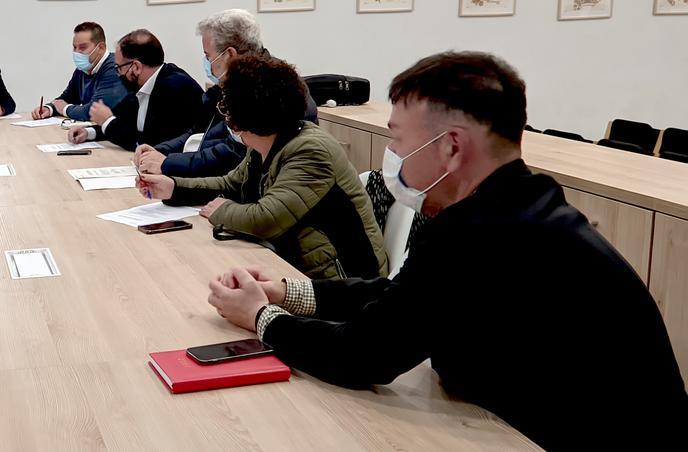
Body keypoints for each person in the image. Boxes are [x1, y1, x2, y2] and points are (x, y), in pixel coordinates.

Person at [205, 52, 688, 450]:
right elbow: (405, 295)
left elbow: (363, 354)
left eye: (397, 140)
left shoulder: (484, 231)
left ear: (451, 147)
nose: (392, 157)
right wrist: (292, 293)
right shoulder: (519, 202)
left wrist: (262, 318)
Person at [138, 53, 386, 280]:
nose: (225, 115)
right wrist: (173, 188)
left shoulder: (311, 151)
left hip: (344, 281)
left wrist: (221, 211)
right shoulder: (265, 143)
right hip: (298, 263)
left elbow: (266, 219)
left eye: (228, 107)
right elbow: (229, 184)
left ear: (247, 116)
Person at [136, 9, 317, 178]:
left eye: (208, 56)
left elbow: (233, 154)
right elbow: (198, 132)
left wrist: (167, 163)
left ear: (229, 54)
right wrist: (160, 151)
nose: (207, 62)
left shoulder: (272, 90)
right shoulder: (229, 84)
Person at [65, 29, 202, 150]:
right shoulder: (141, 87)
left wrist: (107, 121)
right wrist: (89, 132)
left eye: (119, 68)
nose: (118, 73)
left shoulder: (174, 88)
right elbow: (124, 123)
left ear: (136, 67)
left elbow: (148, 144)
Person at [30, 21, 126, 121]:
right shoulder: (83, 68)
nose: (76, 52)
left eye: (82, 47)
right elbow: (67, 97)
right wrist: (49, 108)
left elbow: (93, 111)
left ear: (101, 48)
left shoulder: (115, 68)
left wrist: (65, 109)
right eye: (74, 47)